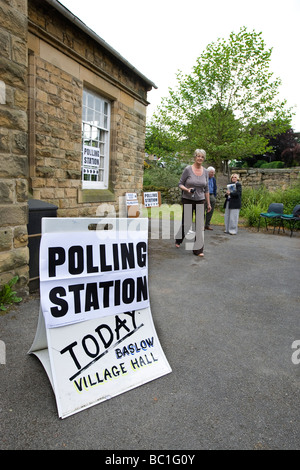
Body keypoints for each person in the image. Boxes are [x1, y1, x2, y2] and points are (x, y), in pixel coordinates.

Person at [175, 149, 211, 257]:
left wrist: (208, 203)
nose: (200, 158)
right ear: (195, 157)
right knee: (187, 224)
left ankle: (198, 250)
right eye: (198, 156)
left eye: (202, 157)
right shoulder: (188, 169)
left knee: (200, 225)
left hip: (200, 200)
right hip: (188, 199)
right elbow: (180, 184)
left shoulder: (205, 172)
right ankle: (179, 238)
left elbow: (207, 189)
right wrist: (187, 189)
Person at [205, 166, 217, 230]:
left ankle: (207, 225)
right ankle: (201, 225)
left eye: (213, 173)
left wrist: (214, 195)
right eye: (211, 173)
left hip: (212, 195)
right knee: (202, 210)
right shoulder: (204, 177)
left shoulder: (213, 179)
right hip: (204, 195)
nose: (213, 174)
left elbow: (215, 187)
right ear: (208, 172)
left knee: (210, 211)